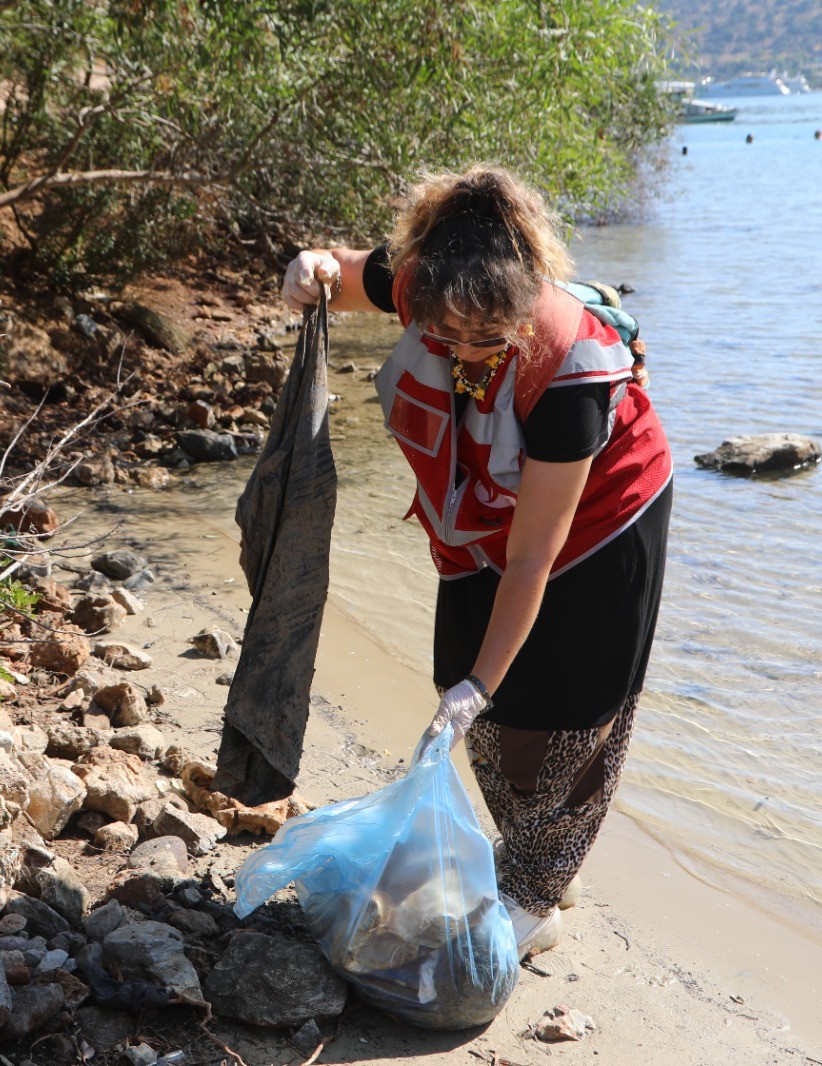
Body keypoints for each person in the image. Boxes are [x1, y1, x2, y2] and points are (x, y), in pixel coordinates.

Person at [281, 164, 673, 959]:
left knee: (562, 710)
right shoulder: (429, 280)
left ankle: (537, 891)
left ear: (524, 303)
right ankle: (535, 854)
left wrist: (481, 688)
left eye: (487, 336)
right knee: (467, 679)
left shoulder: (568, 377)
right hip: (480, 507)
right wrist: (312, 268)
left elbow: (533, 559)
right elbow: (346, 274)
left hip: (601, 520)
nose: (461, 346)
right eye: (443, 332)